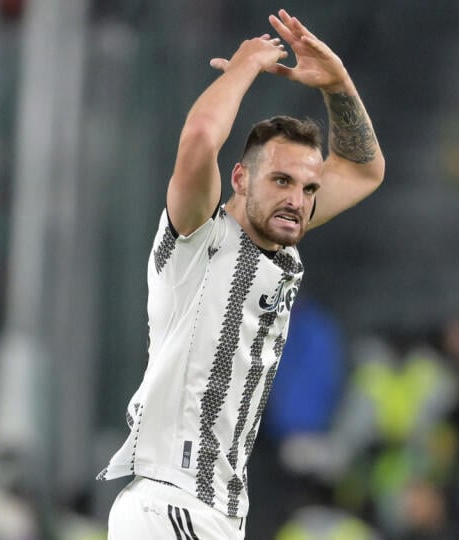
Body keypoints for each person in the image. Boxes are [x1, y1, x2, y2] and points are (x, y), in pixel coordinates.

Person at [99, 10, 384, 540]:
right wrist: (245, 67)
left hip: (213, 512)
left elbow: (365, 169)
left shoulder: (280, 233)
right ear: (240, 179)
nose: (297, 200)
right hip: (172, 501)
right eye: (280, 180)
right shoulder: (198, 240)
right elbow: (199, 140)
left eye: (307, 188)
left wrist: (338, 83)